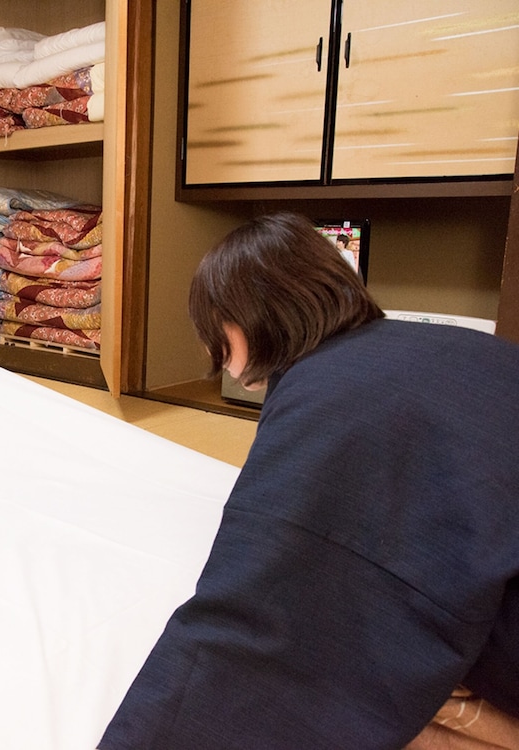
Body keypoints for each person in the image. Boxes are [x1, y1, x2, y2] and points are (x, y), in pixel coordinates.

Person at [99, 212, 519, 749]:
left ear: (244, 316)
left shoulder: (332, 390)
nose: (210, 352)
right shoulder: (447, 346)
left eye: (212, 329)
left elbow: (271, 607)